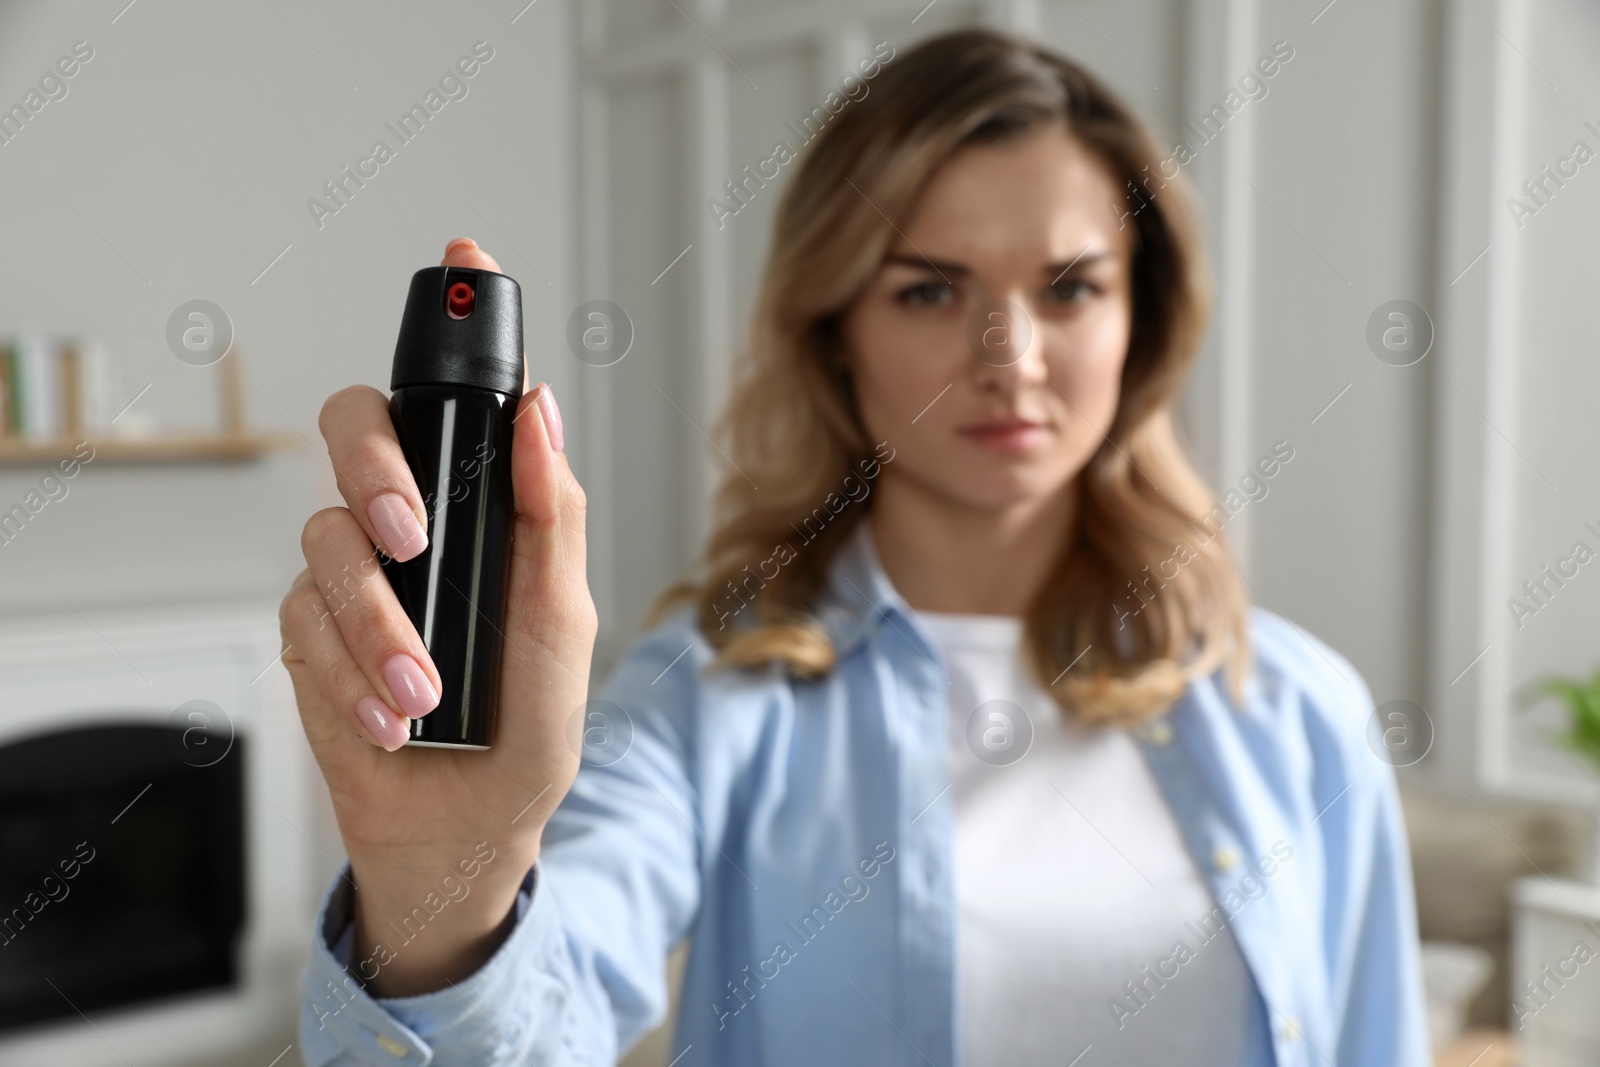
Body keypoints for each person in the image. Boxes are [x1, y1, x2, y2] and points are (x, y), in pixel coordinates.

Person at [284, 27, 1429, 1067]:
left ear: (1143, 323)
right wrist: (446, 881)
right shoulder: (709, 689)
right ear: (835, 332)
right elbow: (546, 1013)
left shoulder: (1301, 706)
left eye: (1072, 286)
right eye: (930, 289)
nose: (1011, 353)